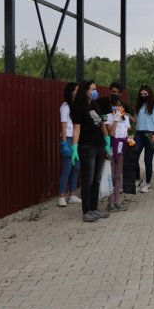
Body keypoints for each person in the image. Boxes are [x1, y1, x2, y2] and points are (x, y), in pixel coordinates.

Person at [70, 79, 109, 222]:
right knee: (88, 179)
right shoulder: (78, 107)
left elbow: (102, 123)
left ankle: (94, 208)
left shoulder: (94, 105)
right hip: (87, 146)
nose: (95, 91)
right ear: (85, 91)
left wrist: (107, 140)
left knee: (97, 179)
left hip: (99, 145)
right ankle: (86, 211)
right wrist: (74, 147)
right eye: (92, 89)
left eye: (95, 88)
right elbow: (77, 128)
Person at [133, 84, 154, 193]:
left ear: (150, 94)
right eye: (141, 94)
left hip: (150, 134)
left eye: (145, 94)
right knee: (133, 157)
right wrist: (125, 114)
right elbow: (137, 120)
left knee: (148, 160)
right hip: (139, 134)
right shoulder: (139, 106)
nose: (143, 96)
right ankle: (137, 179)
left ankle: (148, 183)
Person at [104, 95, 131, 211]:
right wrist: (115, 119)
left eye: (120, 105)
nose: (118, 108)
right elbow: (110, 132)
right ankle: (110, 202)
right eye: (115, 105)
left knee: (118, 175)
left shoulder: (126, 118)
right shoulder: (108, 117)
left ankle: (117, 200)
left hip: (121, 149)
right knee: (111, 175)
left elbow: (126, 132)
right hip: (111, 150)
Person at [59, 82, 81, 207]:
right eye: (76, 90)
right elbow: (63, 125)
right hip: (67, 139)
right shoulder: (65, 107)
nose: (78, 92)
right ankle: (62, 196)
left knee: (76, 167)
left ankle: (72, 194)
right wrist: (64, 142)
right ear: (71, 92)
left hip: (76, 139)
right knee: (67, 168)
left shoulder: (76, 106)